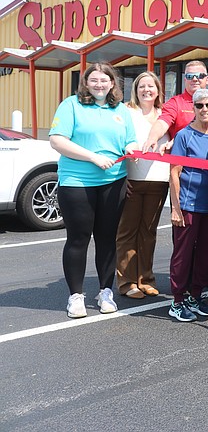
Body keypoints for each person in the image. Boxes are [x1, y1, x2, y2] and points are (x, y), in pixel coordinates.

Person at [49, 62, 137, 318]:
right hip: (77, 182)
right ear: (86, 83)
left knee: (107, 238)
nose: (100, 84)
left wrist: (131, 148)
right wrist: (92, 157)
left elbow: (129, 139)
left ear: (113, 83)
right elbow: (57, 140)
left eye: (105, 80)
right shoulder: (71, 105)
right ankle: (76, 297)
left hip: (114, 181)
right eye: (94, 80)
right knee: (78, 239)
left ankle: (105, 292)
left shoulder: (120, 110)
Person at [166, 89, 208, 322]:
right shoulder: (183, 136)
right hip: (188, 205)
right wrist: (176, 208)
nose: (204, 109)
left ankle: (195, 295)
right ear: (193, 109)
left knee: (206, 254)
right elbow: (174, 172)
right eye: (199, 105)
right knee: (183, 254)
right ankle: (177, 300)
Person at [115, 71, 170, 299]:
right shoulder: (126, 112)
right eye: (142, 86)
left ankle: (145, 279)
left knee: (148, 232)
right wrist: (121, 178)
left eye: (151, 86)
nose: (147, 90)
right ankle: (126, 281)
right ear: (135, 90)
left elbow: (178, 137)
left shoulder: (165, 114)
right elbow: (117, 143)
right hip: (132, 180)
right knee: (127, 231)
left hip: (159, 180)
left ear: (158, 90)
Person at [142, 60, 208, 153]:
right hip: (183, 162)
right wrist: (152, 138)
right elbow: (162, 122)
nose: (194, 79)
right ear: (185, 80)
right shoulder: (175, 103)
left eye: (200, 76)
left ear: (207, 80)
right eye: (189, 76)